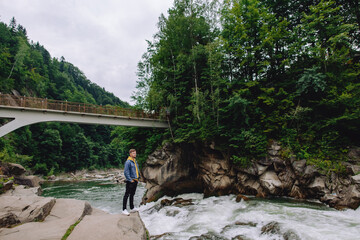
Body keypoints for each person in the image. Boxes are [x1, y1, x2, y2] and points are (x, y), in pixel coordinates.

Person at [122, 149, 140, 215]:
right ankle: (124, 209)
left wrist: (138, 178)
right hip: (131, 181)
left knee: (132, 194)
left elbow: (137, 170)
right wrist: (130, 180)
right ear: (130, 154)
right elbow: (126, 172)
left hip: (135, 180)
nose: (135, 154)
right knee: (127, 195)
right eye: (133, 153)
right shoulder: (128, 162)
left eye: (135, 153)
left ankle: (132, 208)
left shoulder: (135, 161)